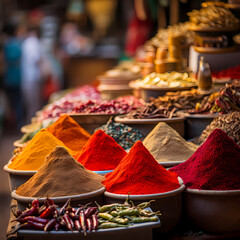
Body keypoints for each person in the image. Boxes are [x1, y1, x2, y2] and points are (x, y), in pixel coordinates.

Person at [3, 22, 24, 128]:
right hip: (16, 77)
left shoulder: (6, 44)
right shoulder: (17, 43)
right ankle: (18, 123)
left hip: (9, 77)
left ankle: (13, 123)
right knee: (17, 101)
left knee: (12, 102)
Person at [21, 26, 42, 123]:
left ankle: (30, 122)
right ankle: (32, 123)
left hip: (27, 77)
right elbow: (35, 58)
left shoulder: (26, 42)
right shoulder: (33, 42)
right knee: (33, 103)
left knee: (30, 103)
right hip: (32, 77)